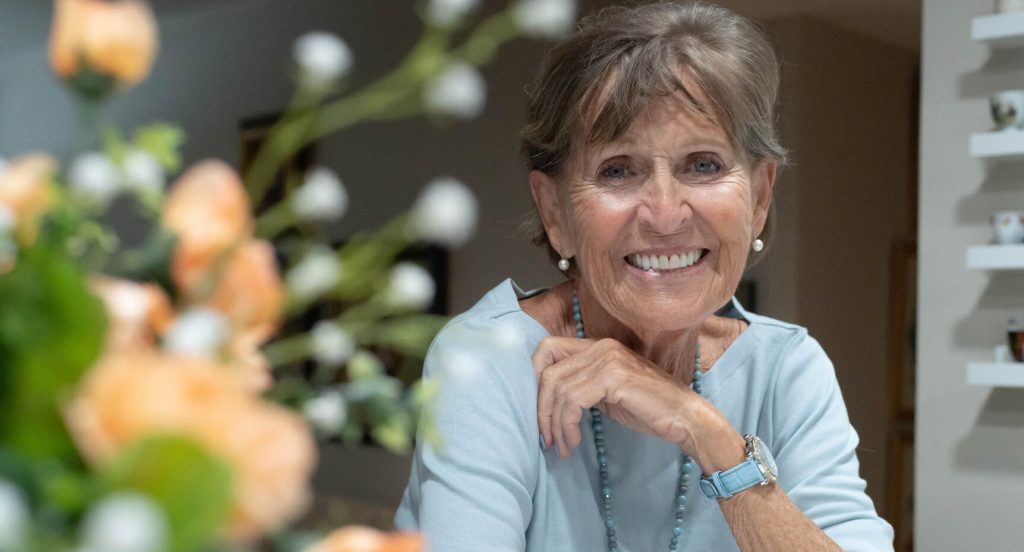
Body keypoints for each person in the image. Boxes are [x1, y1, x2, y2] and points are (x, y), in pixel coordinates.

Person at [394, 2, 894, 551]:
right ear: (555, 212)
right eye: (617, 170)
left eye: (702, 164)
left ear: (758, 199)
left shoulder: (786, 369)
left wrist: (702, 427)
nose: (665, 215)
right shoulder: (491, 360)